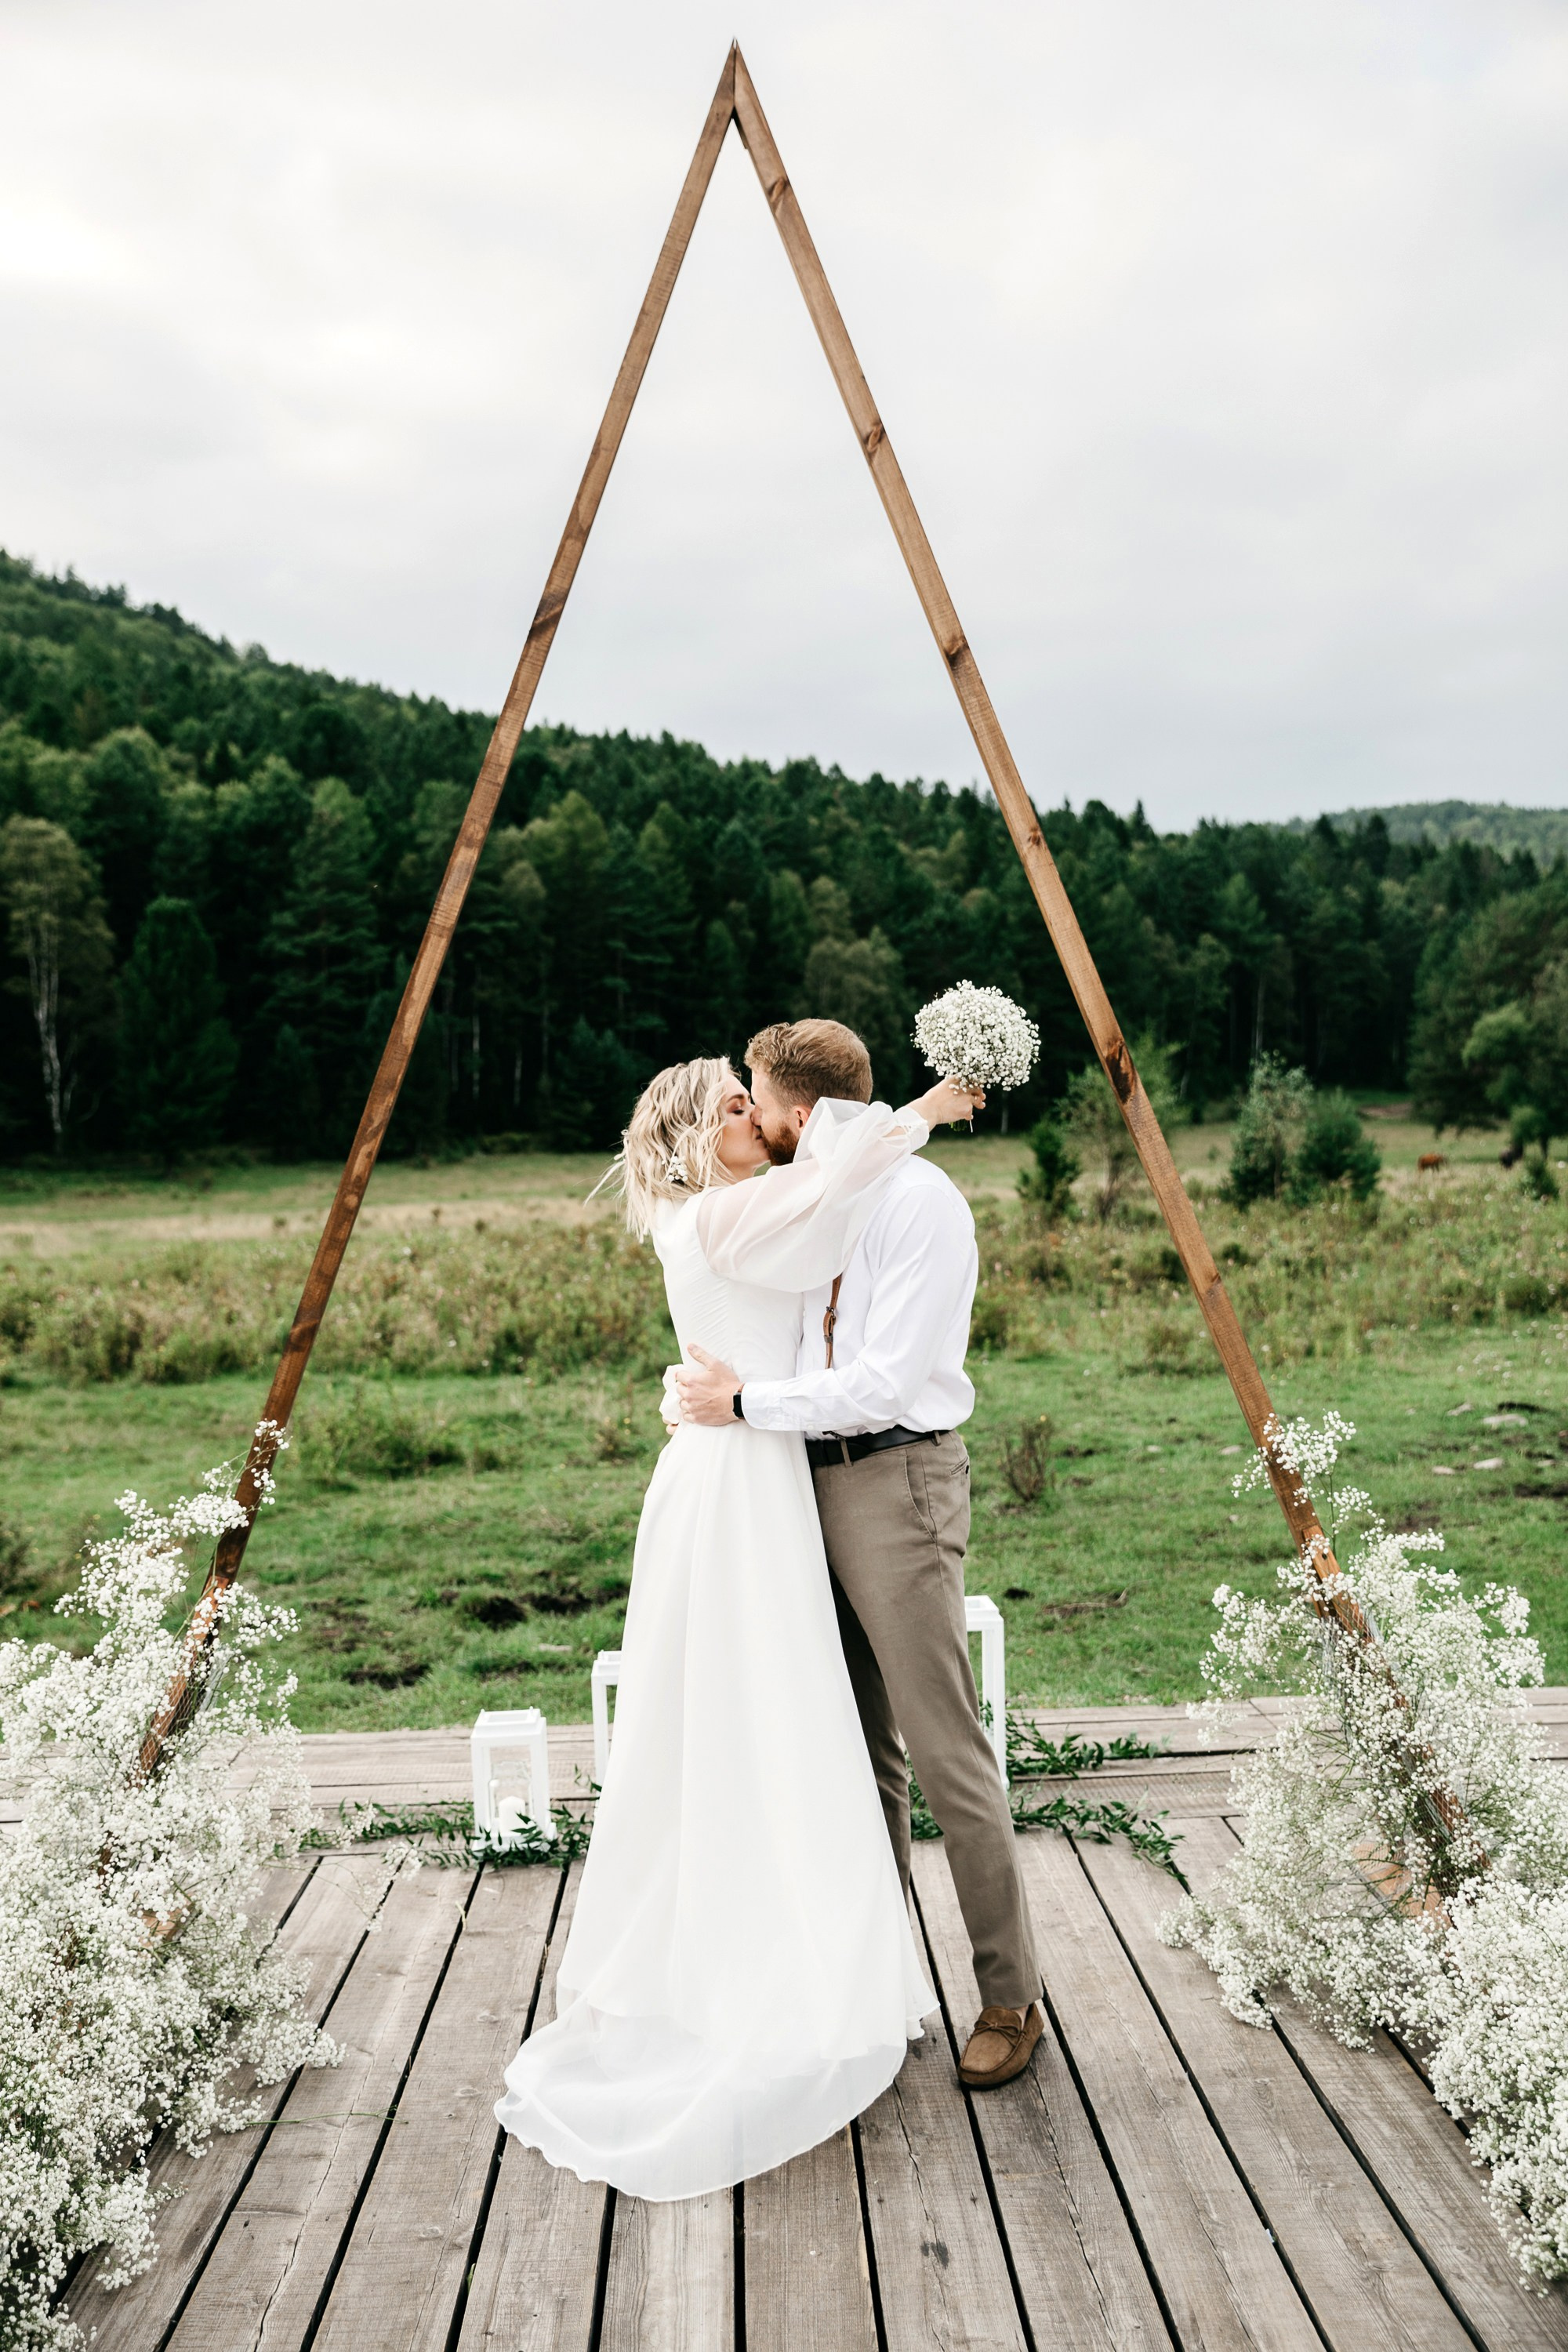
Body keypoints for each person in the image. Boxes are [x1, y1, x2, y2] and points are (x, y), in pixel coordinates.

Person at [495, 1053, 977, 2201]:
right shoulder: (719, 1216)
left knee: (793, 1727)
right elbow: (833, 1188)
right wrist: (922, 1109)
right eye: (728, 1109)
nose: (749, 1117)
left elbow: (833, 1208)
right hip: (742, 1480)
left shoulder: (725, 1211)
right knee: (767, 1727)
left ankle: (830, 1969)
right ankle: (771, 1981)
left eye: (747, 1099)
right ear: (692, 1142)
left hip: (760, 1469)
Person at [676, 1019, 1043, 2092]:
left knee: (943, 1746)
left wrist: (743, 1402)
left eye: (755, 1099)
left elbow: (885, 1382)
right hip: (798, 1484)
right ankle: (877, 1986)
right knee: (854, 1748)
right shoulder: (815, 1203)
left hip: (896, 1479)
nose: (752, 1117)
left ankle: (1010, 1996)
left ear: (796, 1112)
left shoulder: (922, 1207)